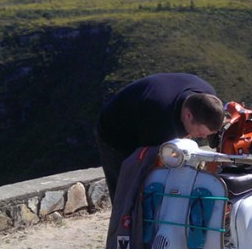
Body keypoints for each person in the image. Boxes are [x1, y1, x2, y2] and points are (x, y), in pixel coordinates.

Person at [96, 72, 225, 198]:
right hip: (115, 132)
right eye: (200, 133)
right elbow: (153, 161)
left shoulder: (208, 99)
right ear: (188, 115)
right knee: (128, 190)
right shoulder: (160, 119)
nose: (202, 137)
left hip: (149, 114)